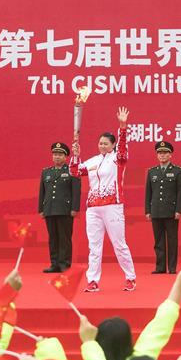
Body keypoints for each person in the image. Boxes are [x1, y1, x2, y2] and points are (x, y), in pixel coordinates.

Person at [70, 107, 137, 293]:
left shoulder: (118, 159)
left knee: (119, 244)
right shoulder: (93, 161)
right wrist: (75, 155)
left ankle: (130, 277)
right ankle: (92, 280)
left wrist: (123, 126)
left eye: (106, 143)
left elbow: (123, 148)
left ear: (113, 145)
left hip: (112, 206)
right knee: (94, 247)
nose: (102, 146)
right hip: (93, 208)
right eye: (100, 143)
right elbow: (75, 172)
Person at [39, 142, 81, 273]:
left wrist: (75, 208)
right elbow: (42, 192)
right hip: (50, 209)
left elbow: (76, 190)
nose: (57, 157)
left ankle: (64, 264)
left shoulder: (71, 170)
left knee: (64, 238)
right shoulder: (46, 172)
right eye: (55, 154)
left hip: (65, 209)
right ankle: (54, 264)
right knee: (53, 238)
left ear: (65, 157)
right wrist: (41, 209)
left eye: (60, 155)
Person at [144, 141, 181, 275]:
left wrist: (179, 210)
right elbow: (148, 193)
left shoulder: (178, 171)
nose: (162, 155)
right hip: (156, 211)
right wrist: (148, 211)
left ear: (170, 155)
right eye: (159, 153)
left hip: (171, 211)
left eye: (165, 153)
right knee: (158, 241)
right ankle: (160, 267)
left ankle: (172, 267)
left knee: (172, 240)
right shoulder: (152, 172)